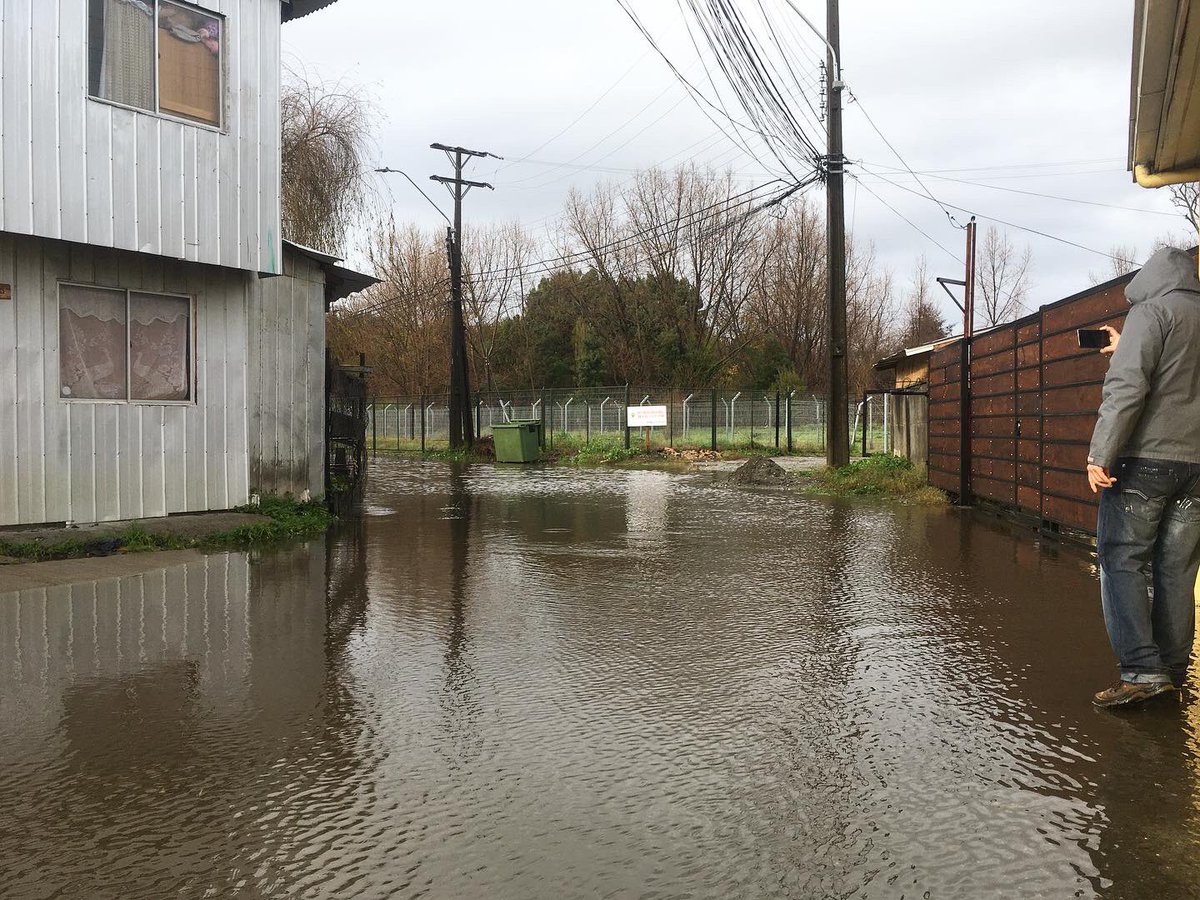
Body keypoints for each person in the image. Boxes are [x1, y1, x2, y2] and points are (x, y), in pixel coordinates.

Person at [1087, 246, 1200, 708]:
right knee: (1177, 569)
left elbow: (1128, 386)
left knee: (1122, 560)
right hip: (1197, 467)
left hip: (1148, 461)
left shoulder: (1151, 312)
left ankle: (1140, 670)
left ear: (1148, 279)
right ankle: (1172, 670)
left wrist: (1101, 453)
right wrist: (1124, 345)